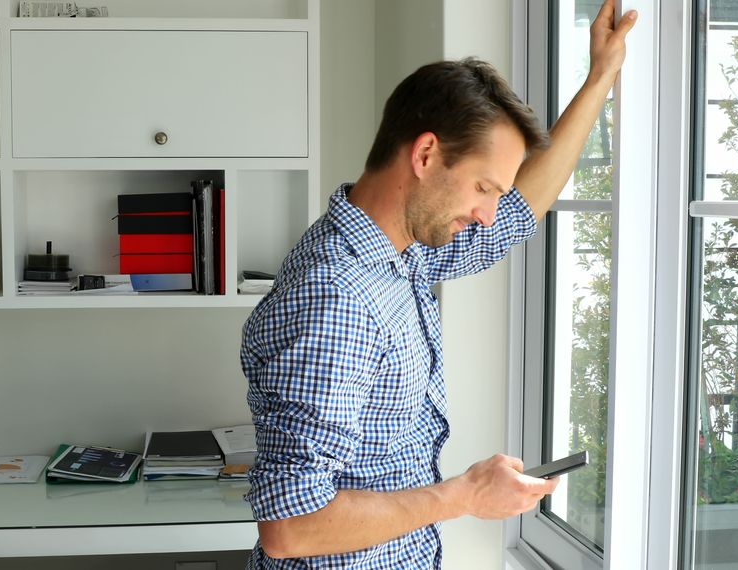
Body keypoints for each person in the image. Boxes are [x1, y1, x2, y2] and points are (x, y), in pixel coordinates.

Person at [238, 1, 638, 568]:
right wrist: (466, 496)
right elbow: (291, 525)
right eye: (482, 187)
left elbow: (522, 209)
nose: (488, 214)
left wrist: (601, 75)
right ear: (426, 154)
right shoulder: (337, 296)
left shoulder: (399, 256)